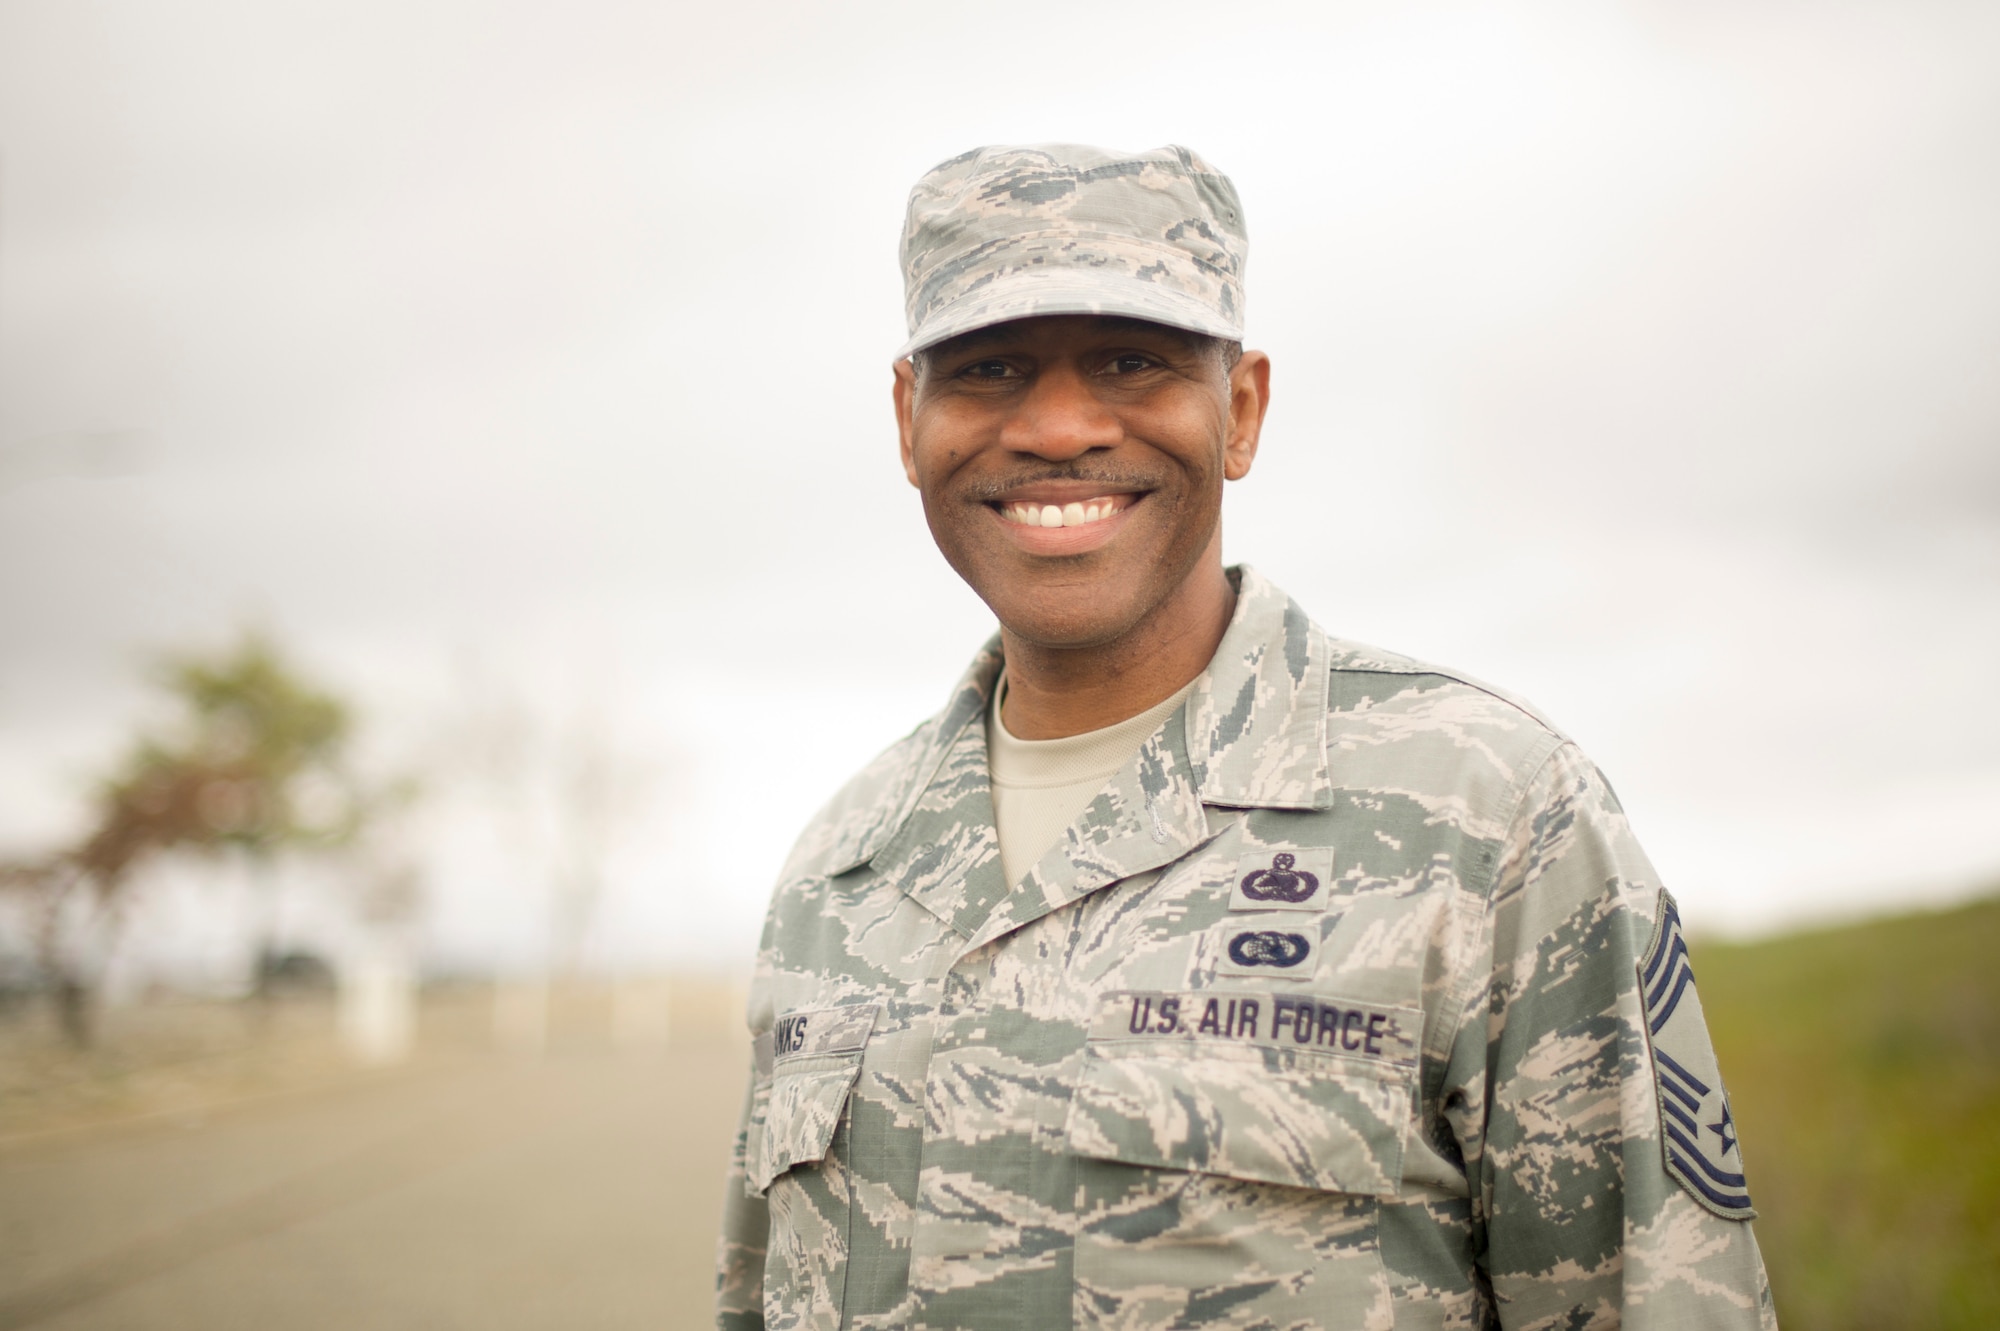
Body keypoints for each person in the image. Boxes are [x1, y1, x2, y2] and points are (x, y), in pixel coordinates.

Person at [715, 143, 1775, 1331]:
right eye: (991, 367)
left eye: (1131, 359)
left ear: (1242, 408)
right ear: (910, 420)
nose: (1058, 425)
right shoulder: (838, 872)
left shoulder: (1491, 818)